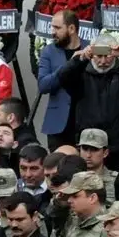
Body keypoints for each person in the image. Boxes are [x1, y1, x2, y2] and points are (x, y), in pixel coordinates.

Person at [57, 33, 119, 170]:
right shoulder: (81, 72)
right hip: (91, 145)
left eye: (107, 55)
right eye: (98, 56)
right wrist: (80, 59)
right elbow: (62, 77)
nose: (103, 61)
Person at [38, 9, 86, 149]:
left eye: (57, 28)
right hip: (58, 124)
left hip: (85, 122)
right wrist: (70, 64)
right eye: (52, 27)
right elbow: (43, 85)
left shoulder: (89, 48)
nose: (53, 32)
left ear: (71, 28)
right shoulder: (49, 51)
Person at [77, 128, 117, 205]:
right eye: (85, 149)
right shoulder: (72, 179)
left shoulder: (116, 180)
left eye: (94, 149)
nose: (88, 155)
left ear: (105, 153)